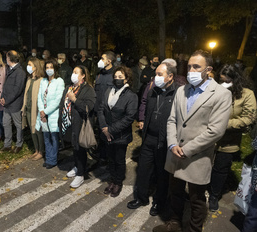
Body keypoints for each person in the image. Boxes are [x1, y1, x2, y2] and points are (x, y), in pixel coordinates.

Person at [153, 50, 232, 232]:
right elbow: (172, 119)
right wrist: (172, 144)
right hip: (175, 153)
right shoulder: (182, 90)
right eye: (189, 66)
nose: (191, 70)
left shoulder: (221, 94)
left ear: (208, 69)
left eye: (196, 67)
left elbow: (216, 131)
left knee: (196, 199)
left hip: (198, 156)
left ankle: (194, 229)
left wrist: (187, 149)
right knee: (176, 193)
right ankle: (175, 223)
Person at [127, 62, 178, 215]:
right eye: (155, 74)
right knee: (143, 170)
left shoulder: (177, 94)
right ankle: (141, 198)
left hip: (164, 141)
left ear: (170, 77)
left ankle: (159, 202)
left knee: (162, 174)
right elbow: (146, 109)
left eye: (159, 74)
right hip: (148, 138)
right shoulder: (152, 90)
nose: (156, 78)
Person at [209, 64, 257, 211]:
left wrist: (224, 124)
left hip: (229, 139)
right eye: (222, 80)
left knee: (221, 168)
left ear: (236, 79)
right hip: (210, 137)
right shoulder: (215, 90)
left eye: (228, 80)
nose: (225, 83)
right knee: (204, 165)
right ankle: (199, 189)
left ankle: (214, 195)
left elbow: (249, 117)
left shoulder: (246, 94)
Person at [98, 66, 138, 197]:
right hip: (106, 133)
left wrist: (111, 130)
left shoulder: (131, 96)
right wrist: (104, 128)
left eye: (120, 77)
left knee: (119, 160)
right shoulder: (108, 91)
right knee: (110, 159)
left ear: (126, 79)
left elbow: (129, 117)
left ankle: (118, 182)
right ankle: (112, 180)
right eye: (115, 77)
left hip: (120, 135)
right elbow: (101, 110)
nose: (117, 79)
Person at [59, 65, 96, 188]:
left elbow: (88, 108)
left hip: (80, 124)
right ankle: (76, 166)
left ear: (83, 75)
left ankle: (81, 174)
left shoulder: (88, 89)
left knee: (80, 149)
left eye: (76, 72)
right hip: (69, 123)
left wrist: (75, 100)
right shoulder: (69, 87)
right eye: (73, 72)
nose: (73, 74)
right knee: (74, 147)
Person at [36, 59, 65, 169]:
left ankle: (52, 160)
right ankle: (48, 158)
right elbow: (39, 97)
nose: (49, 70)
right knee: (46, 137)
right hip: (43, 114)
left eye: (51, 67)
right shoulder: (43, 81)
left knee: (53, 137)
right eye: (47, 67)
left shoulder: (59, 81)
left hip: (53, 114)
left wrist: (46, 111)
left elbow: (58, 100)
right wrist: (41, 110)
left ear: (55, 69)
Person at [0, 50, 26, 153]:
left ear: (10, 59)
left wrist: (6, 100)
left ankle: (19, 144)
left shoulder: (20, 72)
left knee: (18, 125)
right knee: (6, 123)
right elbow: (6, 86)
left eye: (6, 57)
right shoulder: (10, 69)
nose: (5, 59)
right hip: (7, 103)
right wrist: (3, 97)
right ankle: (7, 144)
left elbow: (17, 90)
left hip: (14, 104)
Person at [21, 57, 45, 159]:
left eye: (30, 65)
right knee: (32, 130)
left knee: (38, 130)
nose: (28, 67)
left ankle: (41, 151)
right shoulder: (29, 79)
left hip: (37, 109)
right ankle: (36, 149)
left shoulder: (41, 80)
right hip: (29, 108)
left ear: (35, 67)